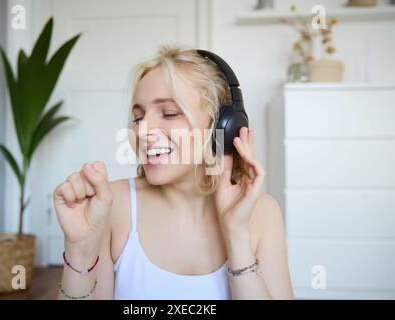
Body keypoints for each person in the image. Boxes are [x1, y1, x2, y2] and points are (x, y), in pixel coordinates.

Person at [54, 45, 294, 299]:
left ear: (222, 126)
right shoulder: (113, 205)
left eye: (169, 113)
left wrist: (236, 233)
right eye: (138, 118)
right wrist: (79, 249)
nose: (142, 131)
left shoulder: (261, 212)